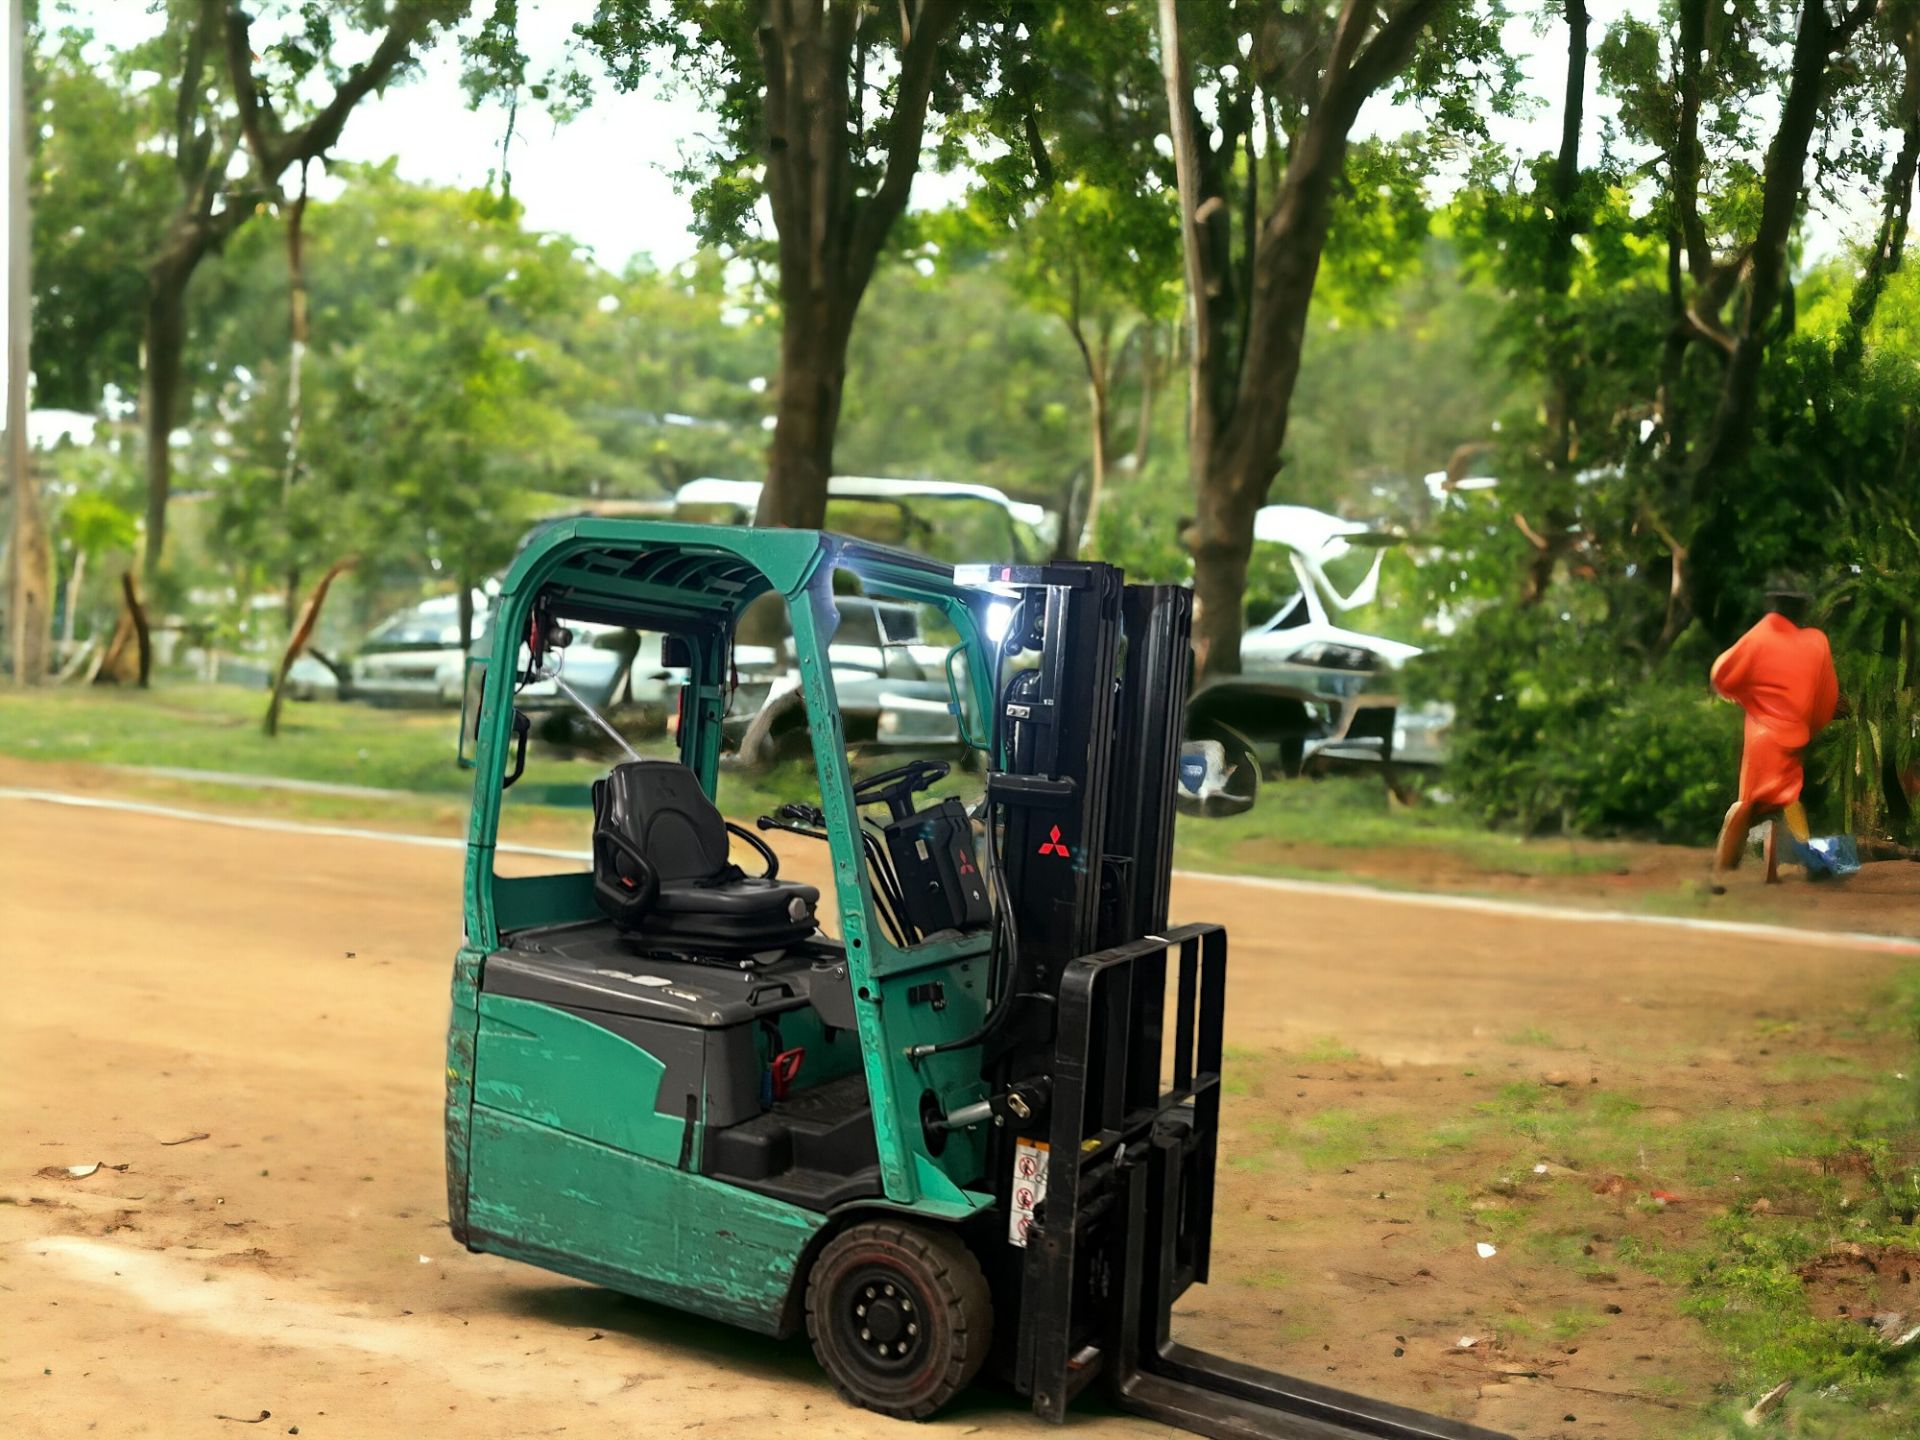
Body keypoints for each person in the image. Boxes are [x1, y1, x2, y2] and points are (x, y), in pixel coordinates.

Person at [1710, 582, 1842, 883]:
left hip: (1761, 735)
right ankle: (1809, 862)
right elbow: (1827, 697)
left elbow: (1721, 674)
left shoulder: (1761, 634)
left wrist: (1745, 697)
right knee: (1788, 796)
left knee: (1748, 800)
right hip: (1795, 733)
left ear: (1773, 607)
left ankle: (1722, 867)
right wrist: (1810, 725)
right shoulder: (1816, 641)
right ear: (1802, 610)